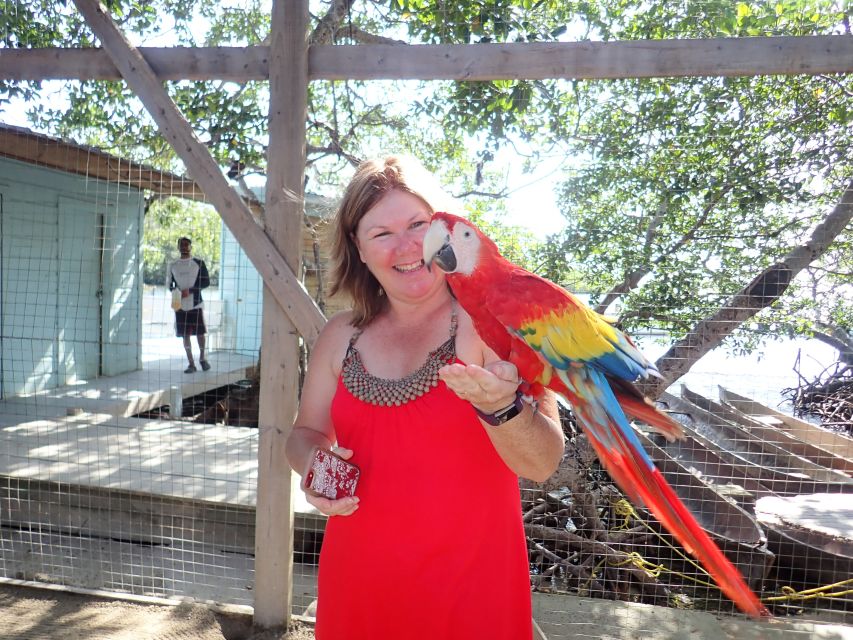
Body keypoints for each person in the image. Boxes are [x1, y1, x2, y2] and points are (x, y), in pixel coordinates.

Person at [285, 156, 565, 639]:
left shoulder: (496, 326)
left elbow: (542, 463)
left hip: (472, 593)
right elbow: (303, 434)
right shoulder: (339, 336)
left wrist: (503, 407)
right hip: (358, 585)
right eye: (382, 233)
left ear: (446, 230)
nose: (408, 246)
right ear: (359, 248)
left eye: (419, 224)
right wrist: (314, 464)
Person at [168, 237, 211, 373]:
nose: (184, 247)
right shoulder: (173, 265)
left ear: (191, 247)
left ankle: (203, 359)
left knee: (200, 333)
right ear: (178, 247)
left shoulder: (198, 263)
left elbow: (206, 282)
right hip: (179, 304)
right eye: (182, 244)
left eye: (187, 244)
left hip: (196, 304)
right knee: (185, 334)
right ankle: (191, 363)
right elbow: (170, 284)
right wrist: (177, 291)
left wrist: (191, 290)